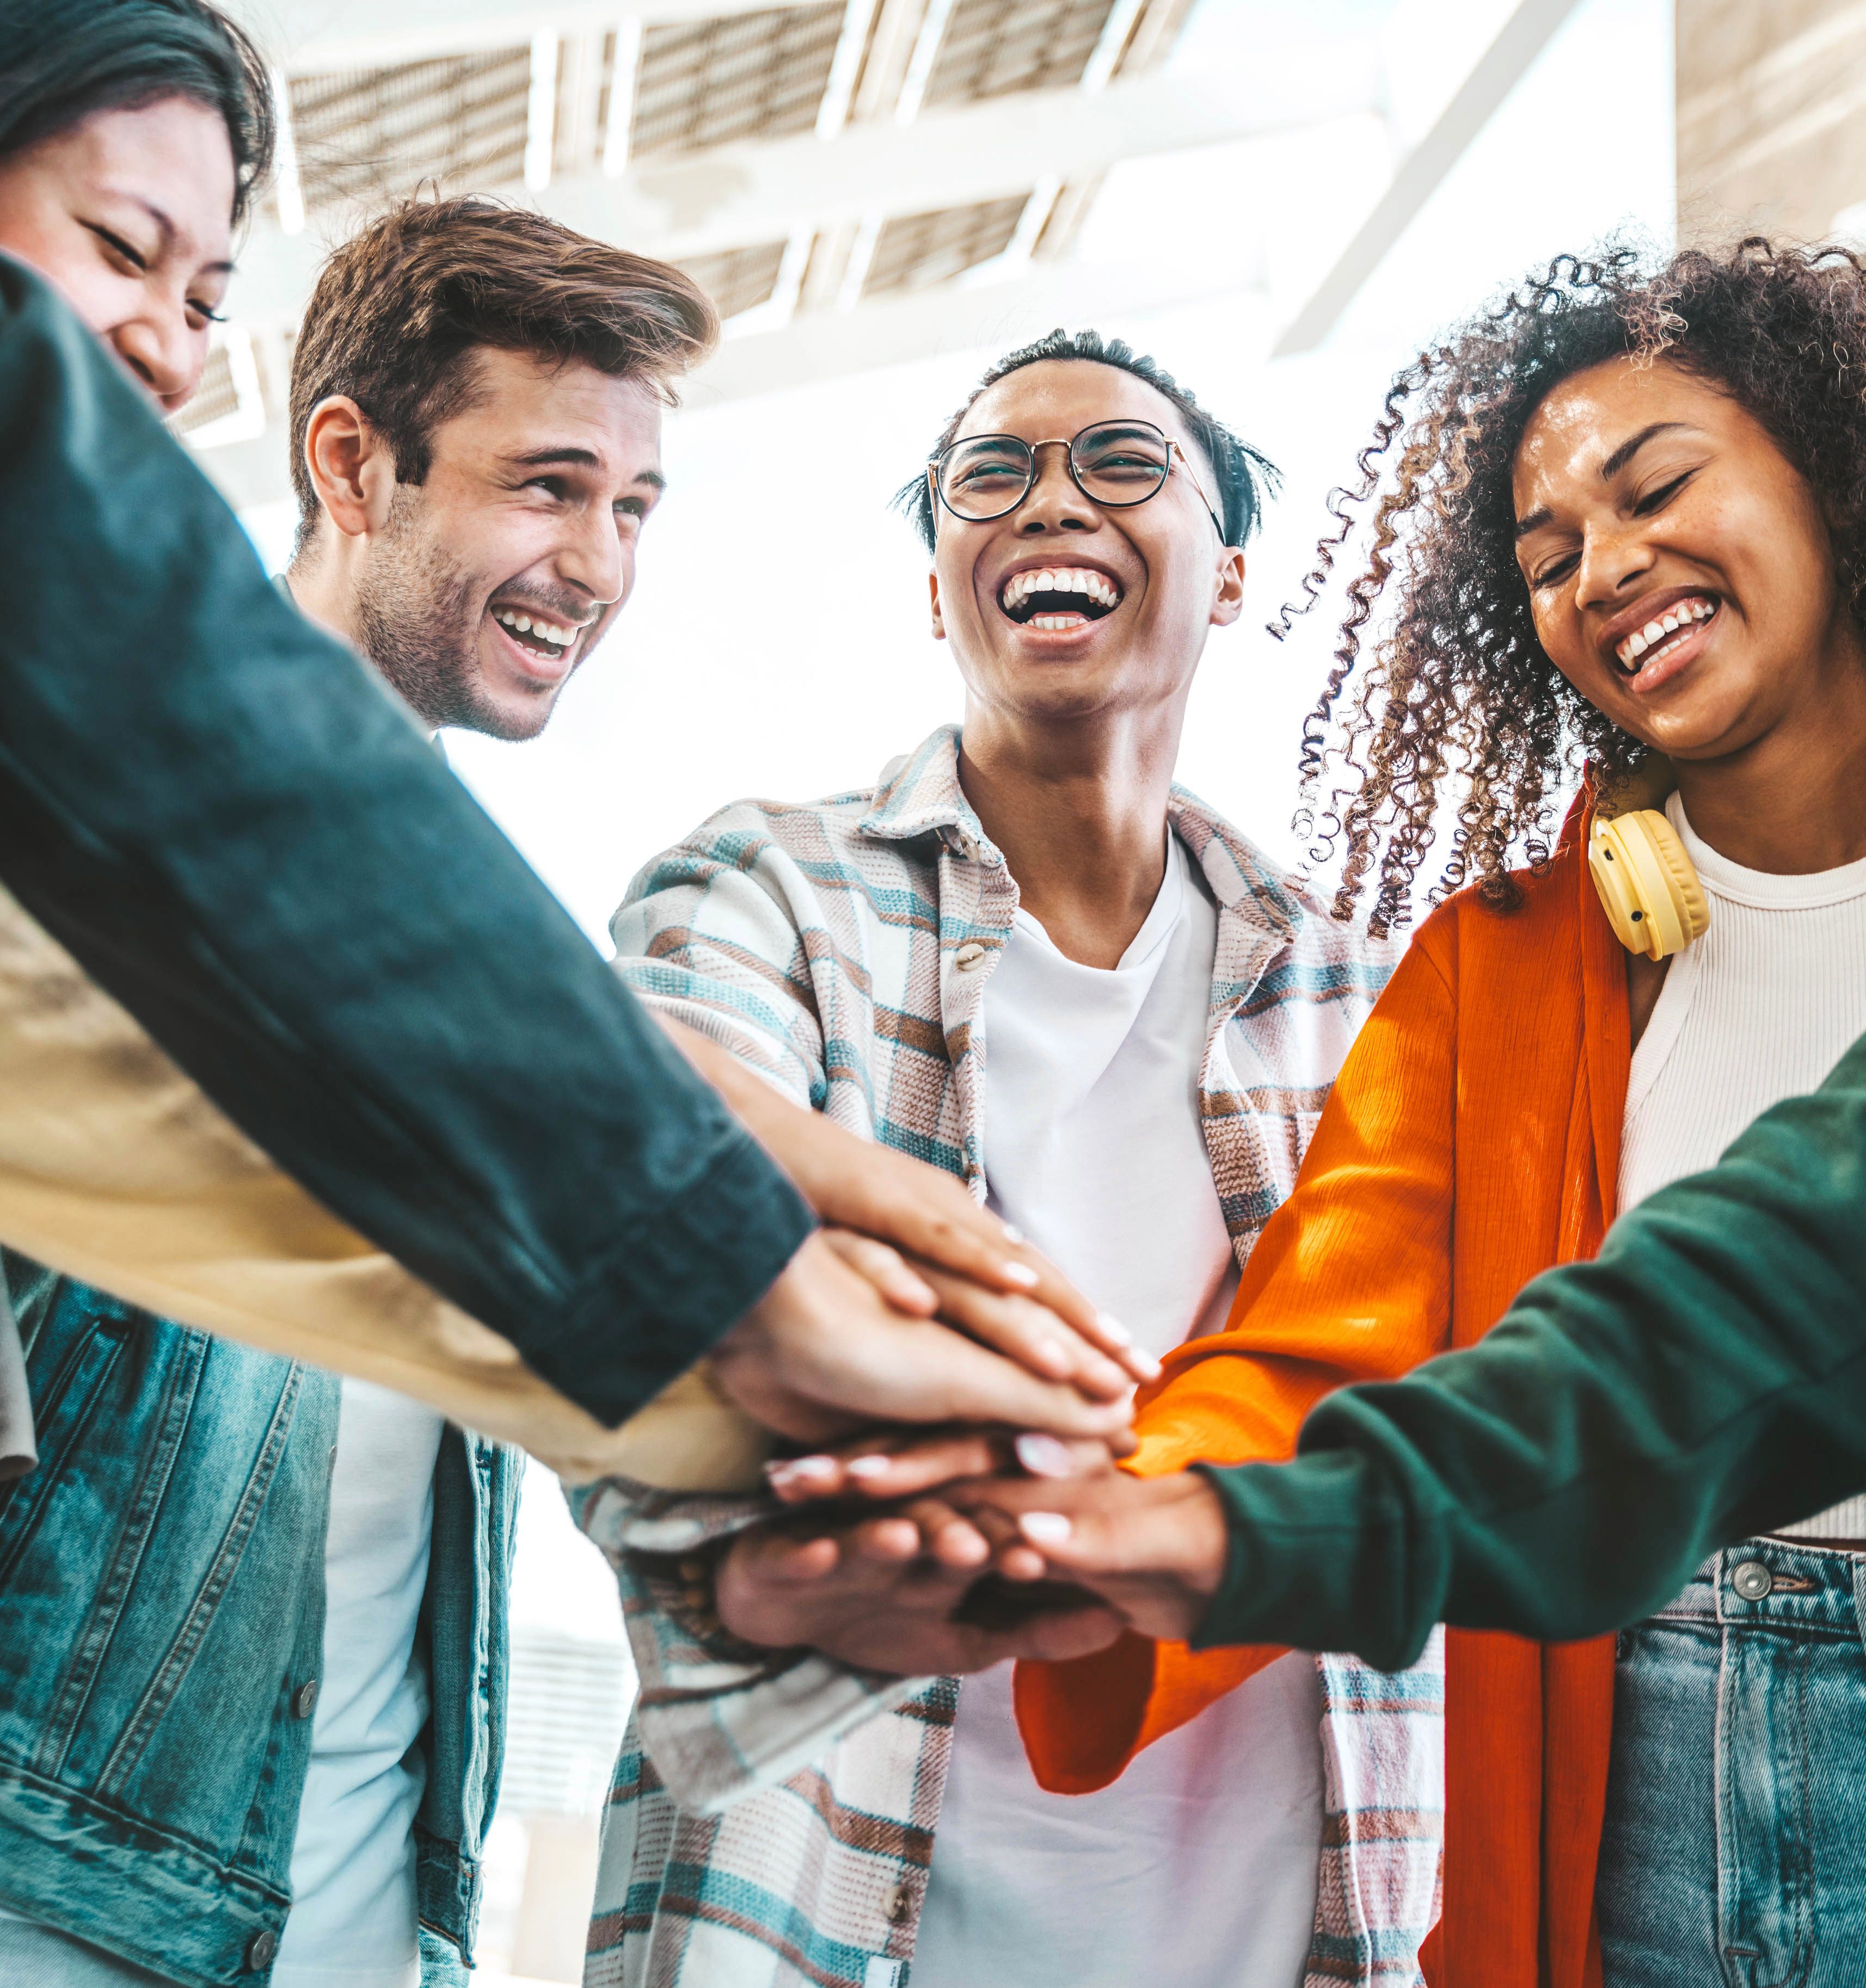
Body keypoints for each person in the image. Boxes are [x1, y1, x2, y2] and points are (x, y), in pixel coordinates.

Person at [748, 0, 1866, 1977]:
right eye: (1544, 548)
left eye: (1657, 486)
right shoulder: (1504, 979)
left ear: (1839, 478)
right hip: (1641, 1760)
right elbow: (1320, 1353)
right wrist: (1152, 1533)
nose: (1603, 565)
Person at [0, 0, 1126, 1978]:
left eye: (635, 507)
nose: (600, 561)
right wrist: (732, 1271)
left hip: (347, 1908)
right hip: (2, 1890)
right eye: (548, 484)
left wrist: (737, 1371)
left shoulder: (498, 958)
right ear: (350, 464)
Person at [575, 330, 1432, 1988]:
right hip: (817, 1898)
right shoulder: (769, 885)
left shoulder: (1357, 994)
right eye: (991, 476)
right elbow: (632, 1135)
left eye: (1123, 466)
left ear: (1231, 575)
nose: (1053, 501)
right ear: (936, 588)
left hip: (1274, 1907)